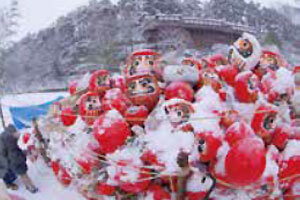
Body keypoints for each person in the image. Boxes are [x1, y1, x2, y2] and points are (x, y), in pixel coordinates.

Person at [0, 124, 38, 193]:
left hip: (13, 162)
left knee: (22, 175)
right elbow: (18, 154)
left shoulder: (7, 145)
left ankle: (29, 187)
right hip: (18, 162)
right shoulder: (13, 146)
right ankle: (31, 187)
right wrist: (25, 154)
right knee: (24, 175)